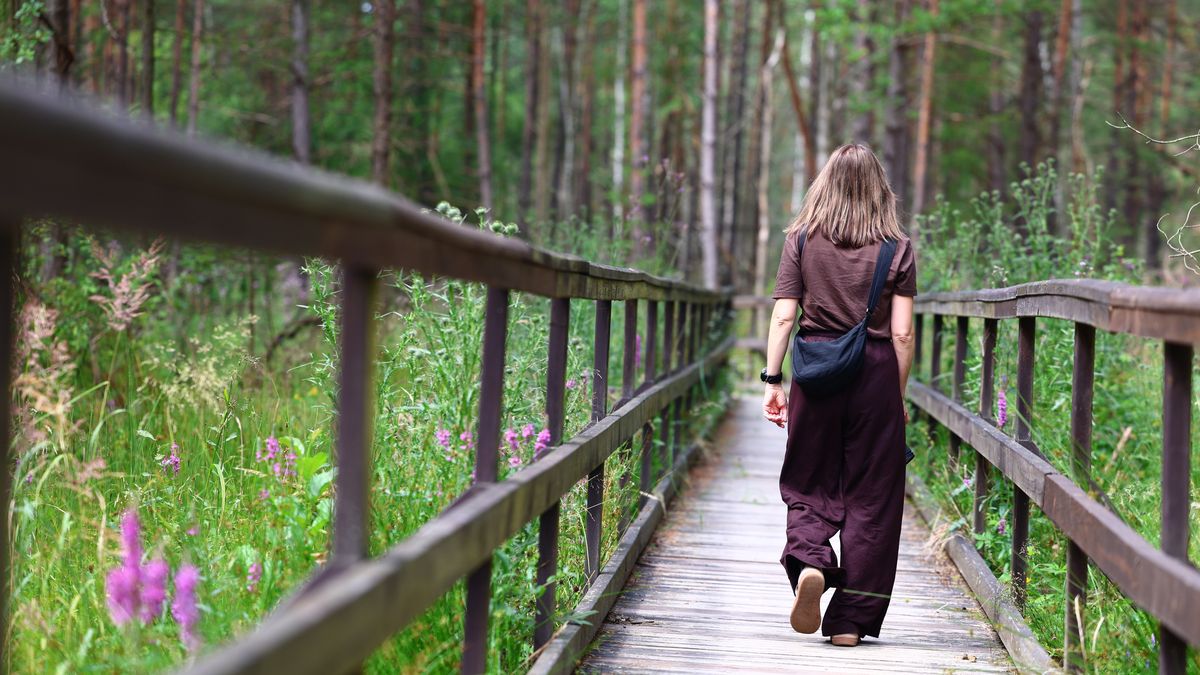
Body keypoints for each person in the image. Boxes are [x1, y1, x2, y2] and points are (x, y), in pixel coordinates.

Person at [760, 143, 917, 648]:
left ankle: (810, 561)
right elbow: (903, 336)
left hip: (816, 370)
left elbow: (785, 314)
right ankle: (849, 621)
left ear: (824, 184)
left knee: (808, 479)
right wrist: (895, 396)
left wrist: (773, 380)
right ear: (880, 190)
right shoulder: (898, 248)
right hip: (873, 374)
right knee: (873, 498)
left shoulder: (801, 241)